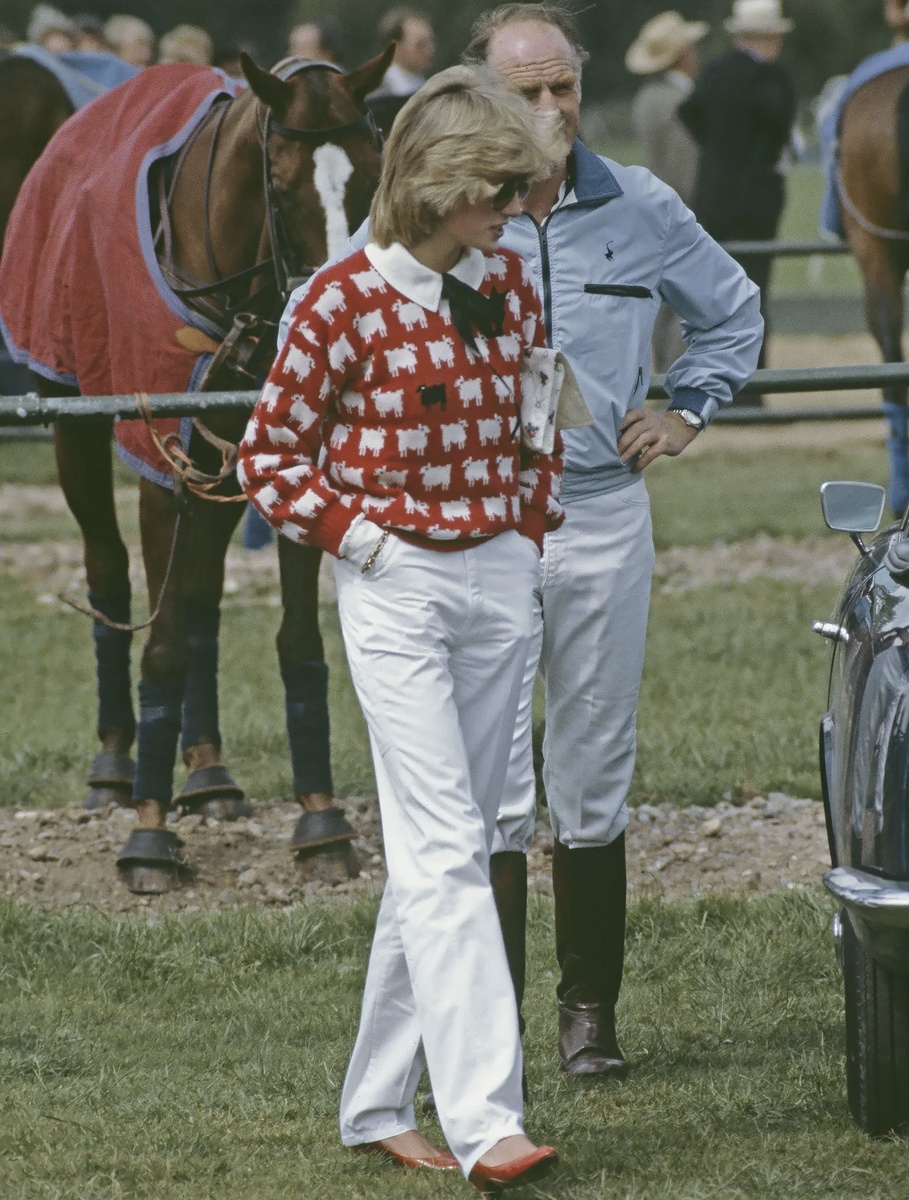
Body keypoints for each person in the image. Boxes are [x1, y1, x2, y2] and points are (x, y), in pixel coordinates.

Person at [238, 66, 563, 1190]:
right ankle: (487, 1121)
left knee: (453, 850)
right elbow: (267, 456)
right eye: (497, 189)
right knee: (441, 852)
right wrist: (370, 545)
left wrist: (527, 524)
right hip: (397, 589)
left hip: (498, 579)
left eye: (520, 189)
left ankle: (377, 1100)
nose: (514, 210)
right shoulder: (335, 300)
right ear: (433, 185)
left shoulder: (510, 278)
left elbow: (536, 408)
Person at [457, 4, 763, 1081]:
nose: (549, 109)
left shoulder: (640, 204)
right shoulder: (439, 210)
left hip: (601, 514)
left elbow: (732, 312)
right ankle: (483, 1025)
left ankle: (590, 1014)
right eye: (525, 90)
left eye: (563, 88)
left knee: (593, 765)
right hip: (480, 526)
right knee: (487, 775)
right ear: (482, 93)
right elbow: (348, 306)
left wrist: (689, 408)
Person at [679, 0, 796, 382]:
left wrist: (717, 154)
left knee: (716, 293)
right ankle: (752, 385)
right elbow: (782, 130)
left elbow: (689, 112)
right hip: (757, 203)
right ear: (767, 37)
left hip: (713, 198)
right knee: (754, 291)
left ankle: (713, 380)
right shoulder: (772, 80)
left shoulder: (714, 71)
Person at [627, 11, 708, 370]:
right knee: (681, 298)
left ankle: (662, 373)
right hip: (679, 208)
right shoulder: (678, 102)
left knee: (662, 299)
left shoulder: (649, 97)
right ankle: (675, 376)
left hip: (653, 208)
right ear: (683, 56)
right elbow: (685, 168)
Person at [374, 6, 435, 95]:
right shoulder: (380, 91)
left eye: (430, 43)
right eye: (420, 45)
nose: (430, 51)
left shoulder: (425, 85)